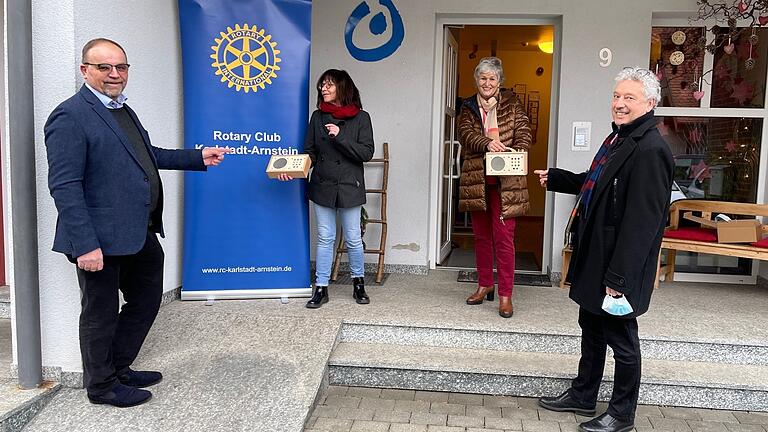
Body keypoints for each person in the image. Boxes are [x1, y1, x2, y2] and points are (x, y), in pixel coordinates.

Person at [44, 38, 230, 408]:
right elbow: (64, 186)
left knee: (146, 299)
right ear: (85, 71)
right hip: (98, 239)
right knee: (99, 313)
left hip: (137, 231)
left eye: (121, 67)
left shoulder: (121, 110)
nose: (115, 74)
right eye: (104, 67)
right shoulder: (70, 116)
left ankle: (118, 367)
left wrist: (197, 157)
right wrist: (85, 244)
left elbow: (147, 155)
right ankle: (100, 386)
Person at [534, 67, 673, 432]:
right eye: (617, 96)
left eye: (629, 97)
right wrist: (559, 178)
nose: (620, 104)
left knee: (622, 340)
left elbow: (643, 223)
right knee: (591, 327)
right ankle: (583, 394)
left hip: (618, 265)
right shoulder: (620, 139)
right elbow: (594, 185)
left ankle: (622, 414)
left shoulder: (650, 149)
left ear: (650, 103)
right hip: (596, 256)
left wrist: (620, 278)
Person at [277, 69, 374, 308]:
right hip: (322, 185)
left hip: (350, 186)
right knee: (325, 237)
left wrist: (341, 136)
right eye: (322, 85)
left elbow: (366, 153)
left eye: (329, 85)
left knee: (352, 238)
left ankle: (358, 284)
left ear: (342, 87)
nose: (324, 89)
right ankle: (320, 287)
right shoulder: (317, 117)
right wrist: (294, 168)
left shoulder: (361, 118)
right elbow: (309, 150)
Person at [457, 57, 532, 318]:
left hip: (506, 182)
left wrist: (515, 150)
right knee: (481, 237)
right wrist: (487, 143)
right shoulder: (467, 106)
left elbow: (524, 132)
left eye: (492, 78)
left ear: (499, 81)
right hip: (477, 180)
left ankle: (505, 294)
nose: (487, 83)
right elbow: (464, 133)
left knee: (504, 238)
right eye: (483, 78)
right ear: (476, 81)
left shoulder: (513, 103)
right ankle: (485, 284)